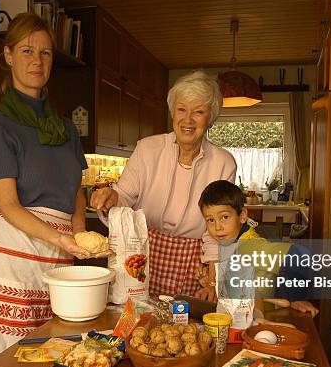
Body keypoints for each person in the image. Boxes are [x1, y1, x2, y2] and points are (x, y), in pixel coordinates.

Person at [0, 13, 108, 362]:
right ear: (8, 56)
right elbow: (7, 205)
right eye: (26, 51)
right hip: (13, 258)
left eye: (45, 53)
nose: (36, 62)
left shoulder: (66, 130)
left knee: (50, 361)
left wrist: (81, 236)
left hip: (57, 255)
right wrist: (61, 239)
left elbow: (75, 193)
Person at [90, 70, 237, 301]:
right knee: (136, 321)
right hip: (141, 251)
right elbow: (124, 196)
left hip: (192, 260)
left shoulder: (223, 163)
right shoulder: (147, 149)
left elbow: (217, 224)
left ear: (211, 117)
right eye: (181, 109)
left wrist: (213, 272)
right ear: (172, 112)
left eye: (198, 112)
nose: (187, 120)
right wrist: (111, 199)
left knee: (184, 326)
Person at [198, 180, 319, 317]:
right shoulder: (227, 242)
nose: (217, 227)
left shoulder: (250, 246)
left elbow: (299, 256)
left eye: (224, 217)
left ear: (243, 216)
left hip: (263, 317)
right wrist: (210, 283)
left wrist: (297, 298)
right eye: (210, 220)